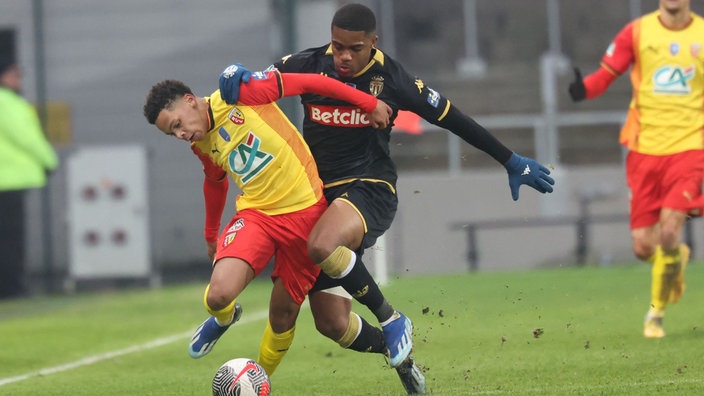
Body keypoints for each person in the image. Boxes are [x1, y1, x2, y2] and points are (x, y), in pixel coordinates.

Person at [219, 3, 555, 392]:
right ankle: (398, 356)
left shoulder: (393, 79)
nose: (343, 56)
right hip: (319, 200)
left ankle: (393, 320)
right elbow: (252, 82)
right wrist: (233, 73)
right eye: (338, 46)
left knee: (321, 243)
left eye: (355, 48)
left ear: (373, 43)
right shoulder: (308, 63)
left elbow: (452, 117)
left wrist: (509, 159)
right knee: (331, 323)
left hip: (370, 187)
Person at [142, 69, 398, 382]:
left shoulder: (239, 95)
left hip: (305, 217)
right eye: (172, 133)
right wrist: (211, 234)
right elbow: (214, 180)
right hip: (257, 216)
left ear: (190, 101)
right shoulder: (201, 143)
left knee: (283, 316)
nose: (180, 135)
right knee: (217, 296)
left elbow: (309, 82)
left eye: (177, 124)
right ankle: (223, 320)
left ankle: (258, 380)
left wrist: (367, 102)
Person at [568, 0, 704, 338]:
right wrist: (583, 89)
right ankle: (674, 260)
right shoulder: (638, 31)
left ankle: (654, 315)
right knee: (644, 247)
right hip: (644, 151)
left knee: (670, 230)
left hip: (690, 149)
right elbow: (607, 75)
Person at [0, 59, 58, 299]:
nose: (18, 79)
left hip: (9, 179)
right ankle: (12, 288)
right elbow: (26, 137)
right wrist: (49, 160)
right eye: (15, 75)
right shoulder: (6, 102)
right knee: (11, 239)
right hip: (10, 180)